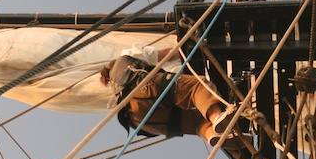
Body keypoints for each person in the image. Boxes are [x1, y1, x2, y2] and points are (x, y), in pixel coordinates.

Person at [100, 46, 237, 147]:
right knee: (196, 87)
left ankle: (212, 135)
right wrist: (191, 46)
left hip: (139, 120)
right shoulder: (126, 55)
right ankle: (217, 117)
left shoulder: (115, 85)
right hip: (144, 89)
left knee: (196, 121)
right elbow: (167, 54)